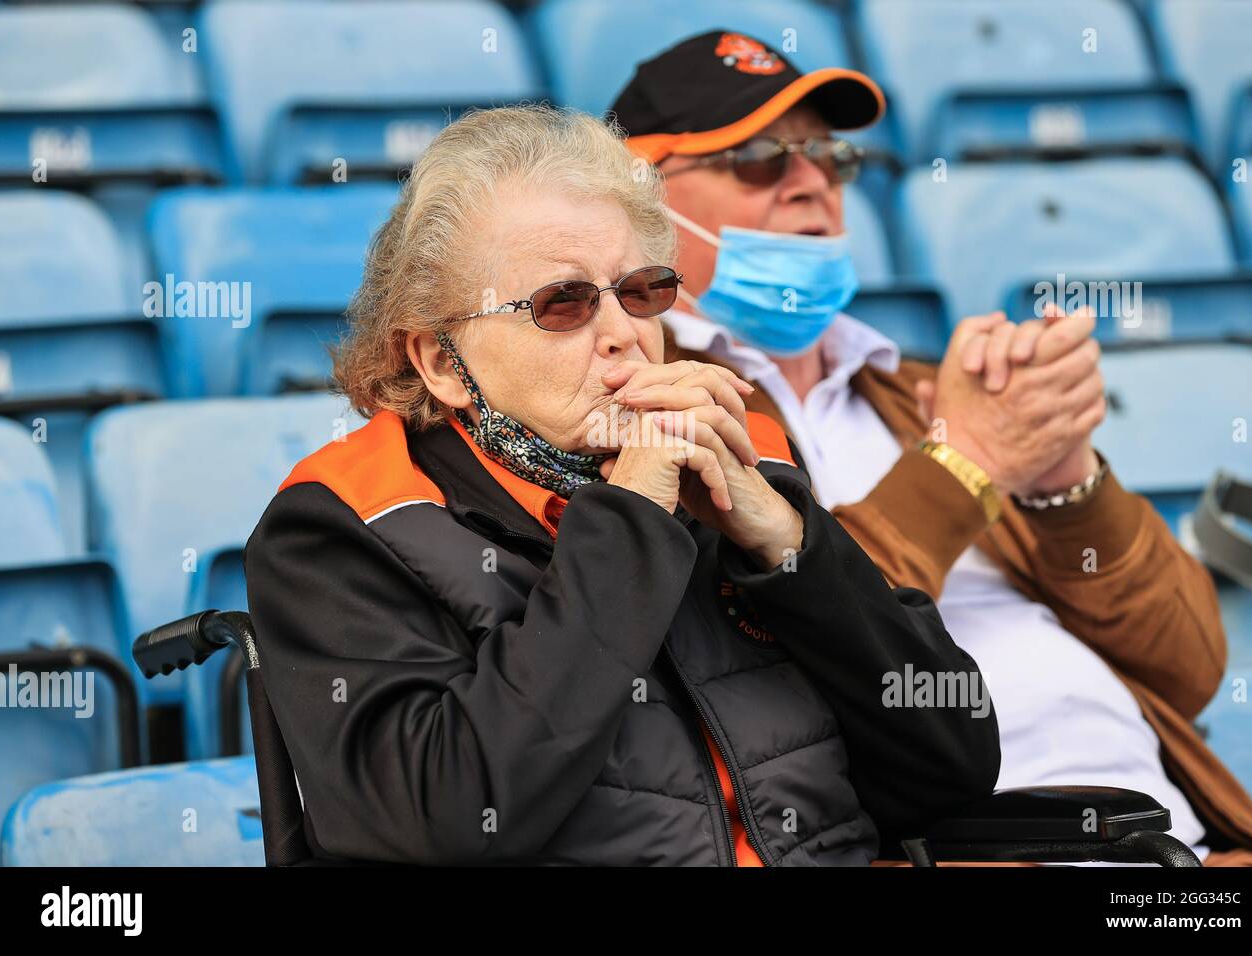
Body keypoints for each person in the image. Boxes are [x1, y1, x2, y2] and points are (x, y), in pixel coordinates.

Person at [244, 104, 1000, 866]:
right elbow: (447, 822)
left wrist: (791, 552)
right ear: (442, 362)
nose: (622, 331)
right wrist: (632, 520)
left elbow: (950, 768)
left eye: (640, 291)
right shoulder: (346, 523)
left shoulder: (736, 461)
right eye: (561, 304)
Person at [609, 30, 1252, 866]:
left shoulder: (916, 393)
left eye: (829, 157)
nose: (811, 180)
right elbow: (765, 650)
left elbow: (1188, 669)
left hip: (1184, 847)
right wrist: (965, 464)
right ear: (638, 203)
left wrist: (1062, 480)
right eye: (757, 157)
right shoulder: (651, 407)